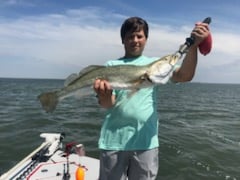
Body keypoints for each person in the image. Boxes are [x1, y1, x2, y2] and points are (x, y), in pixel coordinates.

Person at [94, 16, 210, 180]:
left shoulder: (155, 64)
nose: (135, 40)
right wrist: (104, 95)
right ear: (123, 40)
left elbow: (185, 75)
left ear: (146, 39)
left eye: (139, 36)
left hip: (146, 143)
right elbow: (107, 104)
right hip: (113, 142)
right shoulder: (110, 66)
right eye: (130, 36)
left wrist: (194, 46)